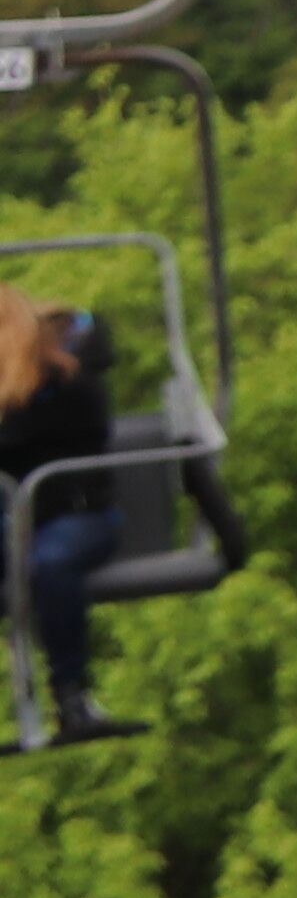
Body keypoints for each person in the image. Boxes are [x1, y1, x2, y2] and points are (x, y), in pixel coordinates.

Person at [0, 284, 137, 744]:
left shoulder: (67, 387)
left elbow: (27, 435)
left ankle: (72, 695)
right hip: (16, 525)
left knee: (50, 564)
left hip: (79, 517)